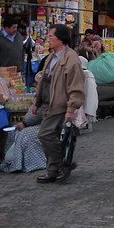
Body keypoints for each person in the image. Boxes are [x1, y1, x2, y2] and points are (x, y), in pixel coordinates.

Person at [33, 24, 86, 184]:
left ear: (61, 40)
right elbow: (44, 81)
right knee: (52, 135)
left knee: (45, 134)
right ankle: (54, 170)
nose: (48, 39)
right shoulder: (52, 56)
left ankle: (61, 164)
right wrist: (37, 102)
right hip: (48, 102)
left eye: (51, 37)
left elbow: (76, 86)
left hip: (60, 104)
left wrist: (71, 108)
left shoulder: (71, 59)